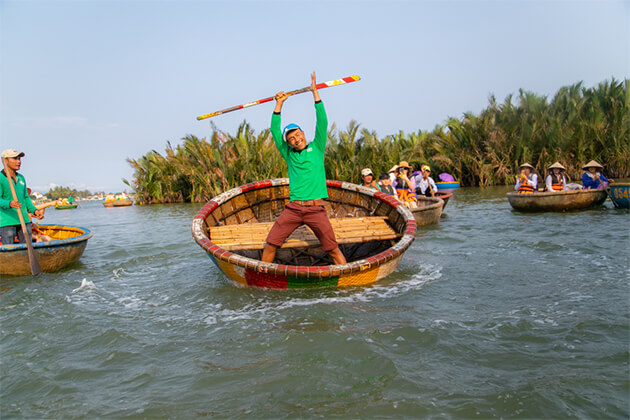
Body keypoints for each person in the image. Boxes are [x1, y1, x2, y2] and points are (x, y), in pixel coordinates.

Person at [261, 72, 346, 266]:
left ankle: (348, 283)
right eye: (291, 139)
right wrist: (279, 103)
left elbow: (322, 121)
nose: (295, 139)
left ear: (303, 133)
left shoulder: (316, 147)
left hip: (316, 209)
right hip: (294, 209)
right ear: (288, 144)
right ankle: (262, 278)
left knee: (332, 249)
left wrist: (315, 93)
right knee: (270, 244)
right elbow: (275, 130)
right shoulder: (289, 155)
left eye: (297, 135)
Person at [0, 149, 44, 244]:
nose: (19, 161)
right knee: (9, 251)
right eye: (15, 159)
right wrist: (9, 203)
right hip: (7, 221)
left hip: (24, 220)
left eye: (19, 159)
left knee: (27, 248)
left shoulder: (21, 178)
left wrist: (35, 211)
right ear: (5, 160)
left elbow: (26, 198)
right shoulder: (0, 178)